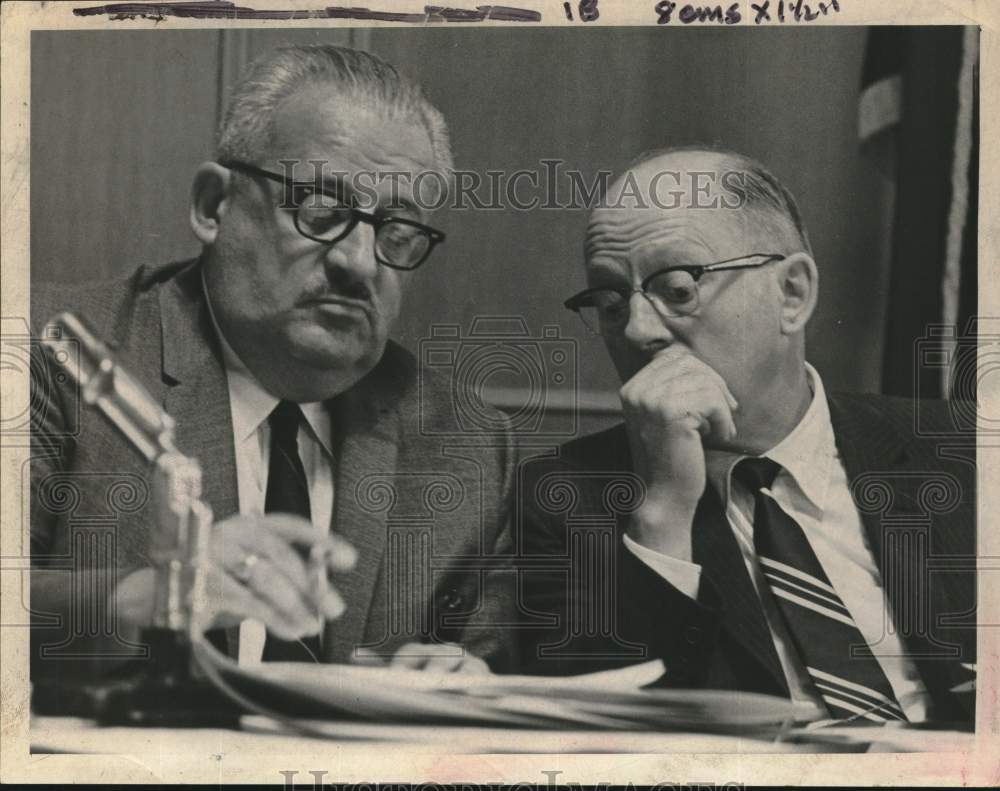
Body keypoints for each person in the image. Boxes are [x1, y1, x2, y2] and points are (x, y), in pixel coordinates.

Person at [30, 44, 515, 686]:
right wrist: (147, 598)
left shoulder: (468, 443)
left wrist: (463, 680)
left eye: (396, 231)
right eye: (320, 210)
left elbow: (492, 681)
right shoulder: (58, 354)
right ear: (213, 206)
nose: (360, 263)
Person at [519, 146, 976, 725]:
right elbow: (595, 741)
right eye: (610, 304)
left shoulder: (966, 450)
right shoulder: (565, 497)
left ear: (792, 294)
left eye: (679, 287)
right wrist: (662, 512)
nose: (637, 330)